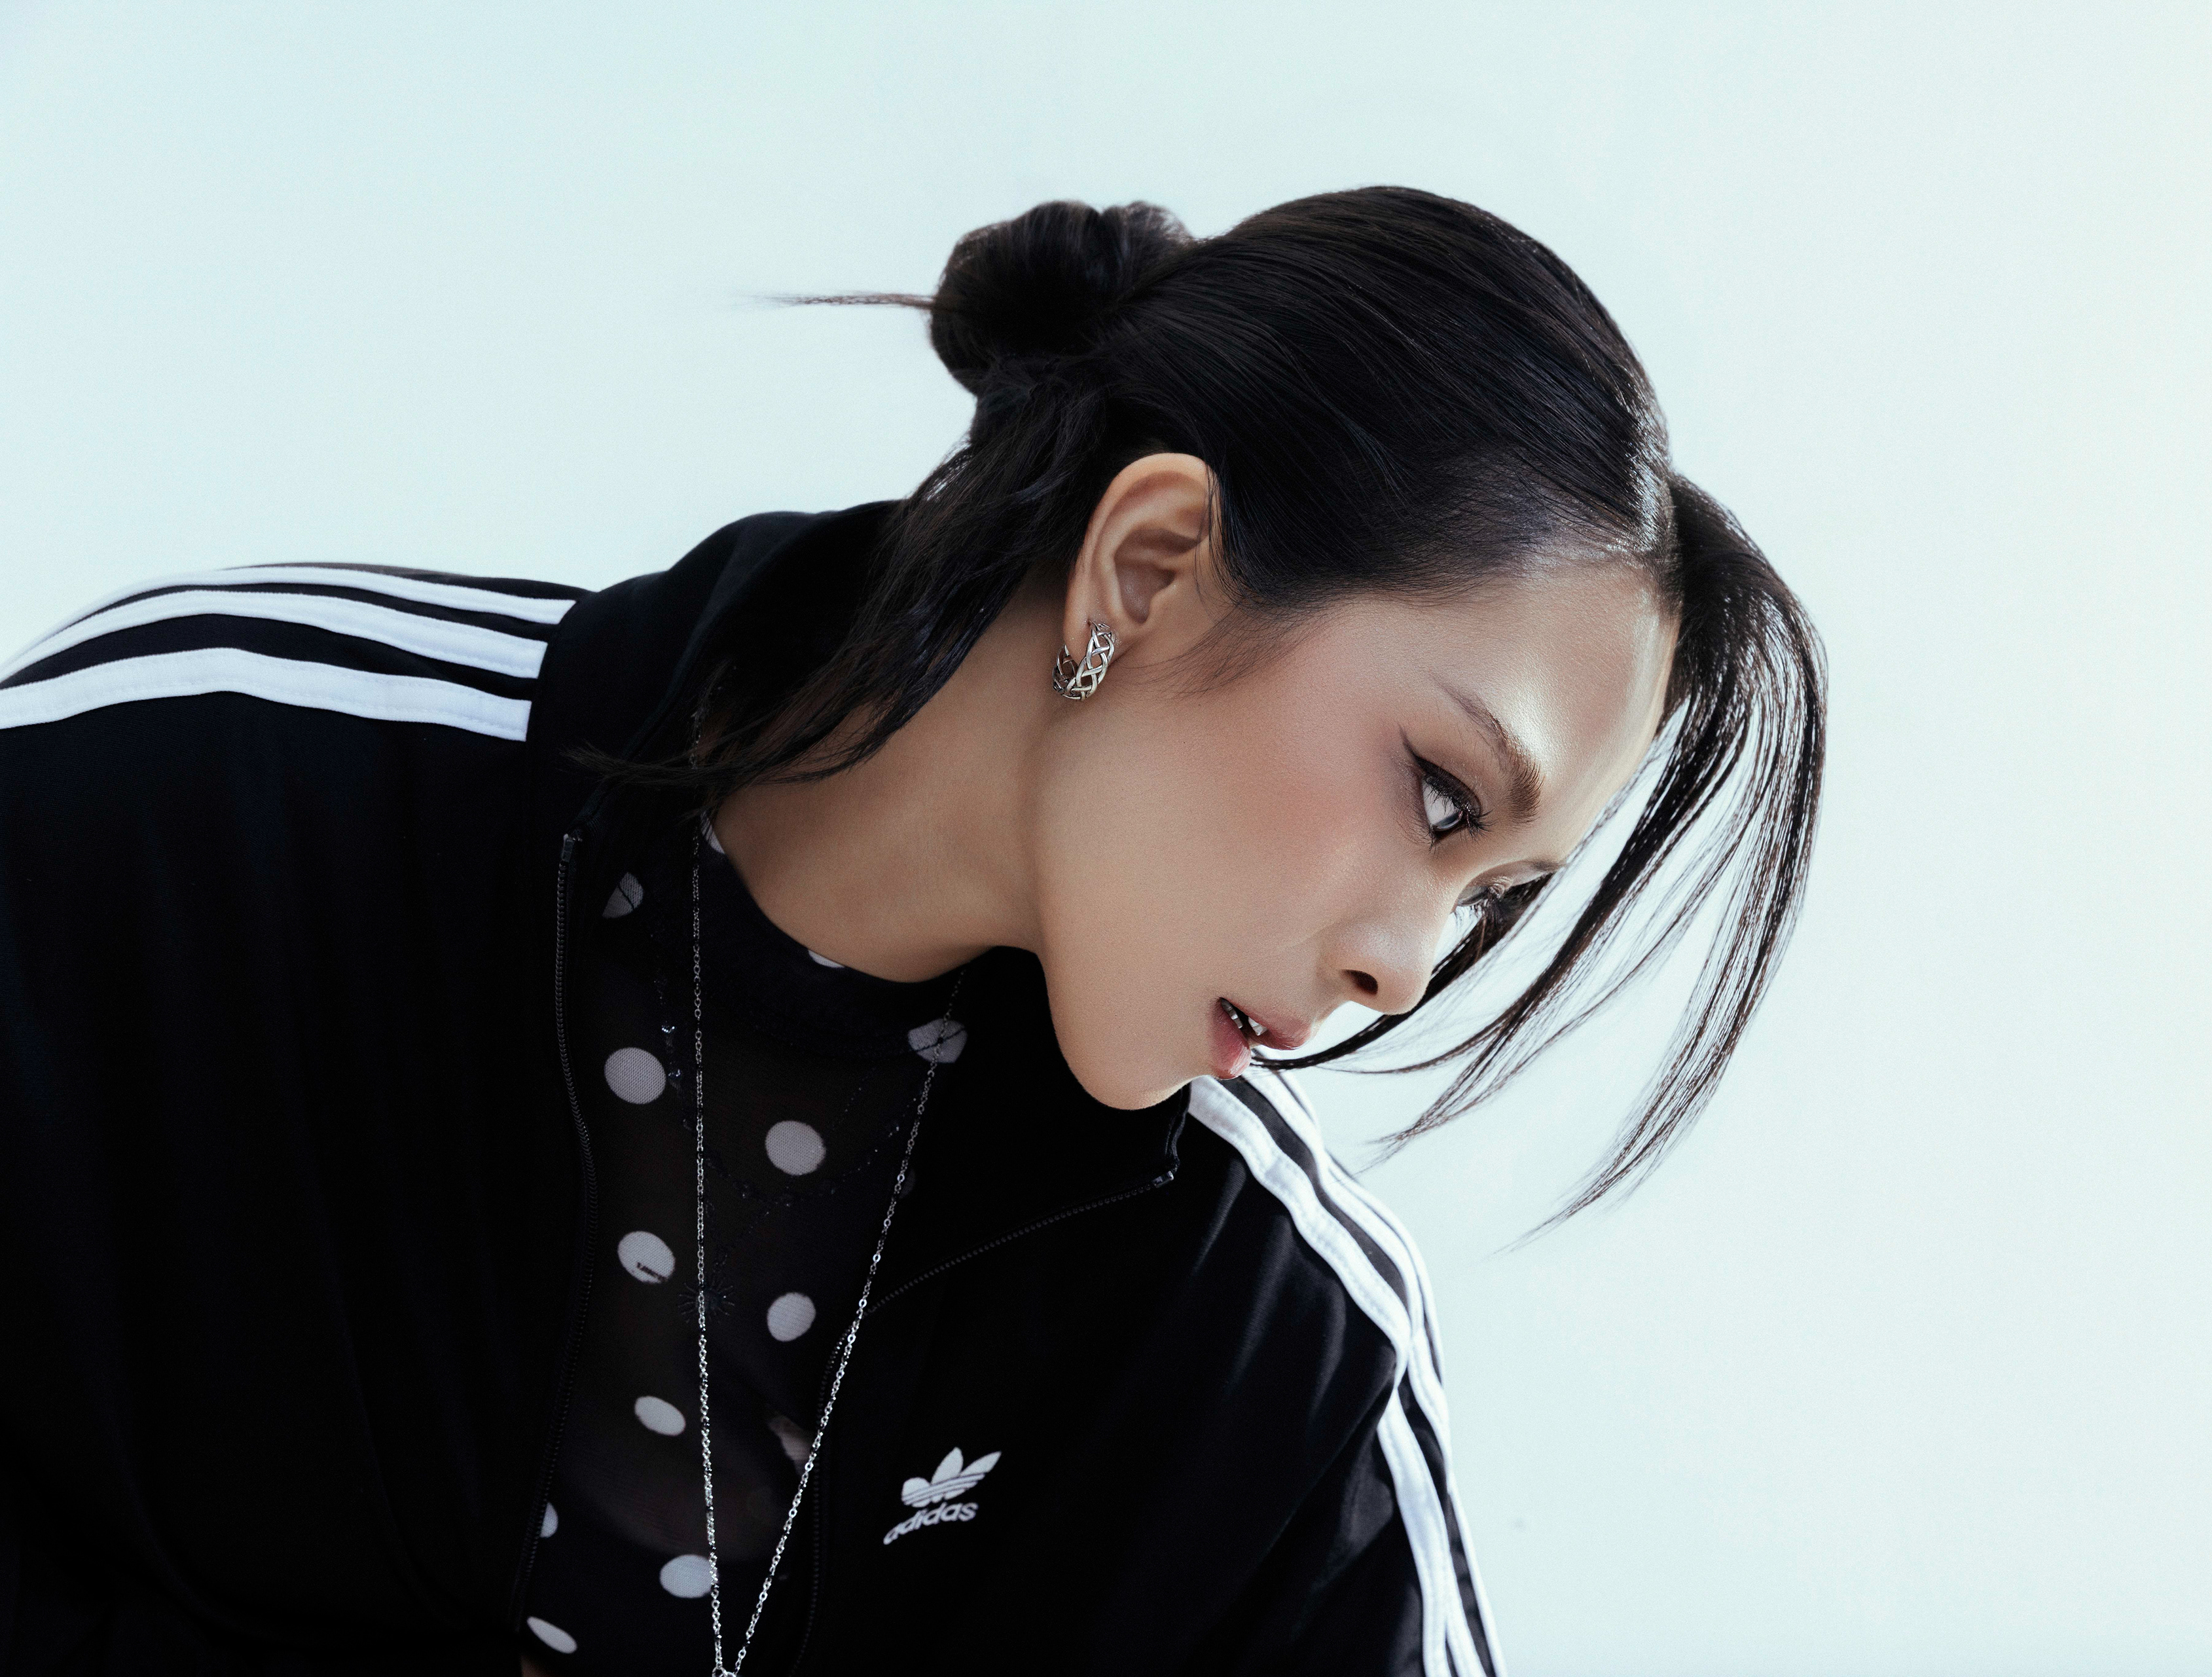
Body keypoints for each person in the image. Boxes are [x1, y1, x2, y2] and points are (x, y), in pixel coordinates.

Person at [0, 188, 1822, 1676]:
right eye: (1437, 795)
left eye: (1491, 894)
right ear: (1152, 566)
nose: (1406, 968)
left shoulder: (1270, 1352)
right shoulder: (197, 799)